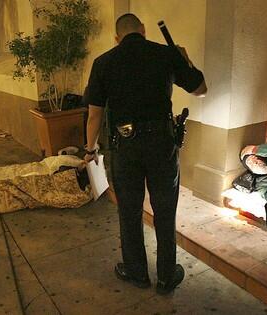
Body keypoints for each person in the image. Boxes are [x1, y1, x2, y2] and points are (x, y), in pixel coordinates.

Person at [83, 13, 207, 295]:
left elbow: (94, 115)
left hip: (125, 145)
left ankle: (136, 272)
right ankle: (166, 277)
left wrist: (90, 149)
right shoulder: (165, 54)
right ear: (143, 30)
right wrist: (184, 60)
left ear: (117, 38)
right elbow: (200, 90)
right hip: (162, 144)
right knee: (164, 210)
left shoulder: (103, 62)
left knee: (128, 210)